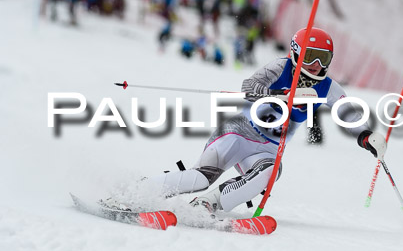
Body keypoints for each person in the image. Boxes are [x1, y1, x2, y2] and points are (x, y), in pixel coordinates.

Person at [139, 27, 386, 214]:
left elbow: (348, 112)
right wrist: (281, 95)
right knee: (201, 178)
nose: (316, 65)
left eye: (323, 58)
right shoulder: (281, 67)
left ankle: (206, 206)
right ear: (297, 52)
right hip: (238, 133)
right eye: (311, 56)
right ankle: (139, 190)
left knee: (269, 174)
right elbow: (249, 85)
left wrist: (365, 136)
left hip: (268, 148)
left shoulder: (328, 87)